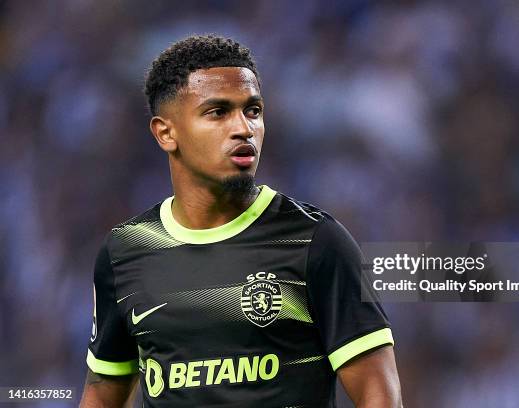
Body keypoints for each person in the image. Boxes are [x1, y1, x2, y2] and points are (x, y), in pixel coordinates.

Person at [79, 35, 402, 408]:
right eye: (218, 113)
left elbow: (379, 393)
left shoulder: (314, 241)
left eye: (252, 110)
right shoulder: (125, 251)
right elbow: (102, 392)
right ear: (166, 133)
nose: (244, 128)